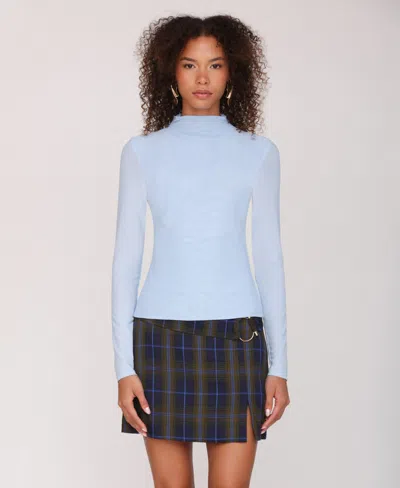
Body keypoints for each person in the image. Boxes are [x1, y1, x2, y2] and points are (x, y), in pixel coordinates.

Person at [111, 14, 290, 488]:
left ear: (233, 72)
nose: (203, 78)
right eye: (190, 65)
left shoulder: (259, 152)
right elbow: (126, 262)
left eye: (216, 65)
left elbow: (269, 259)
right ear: (171, 71)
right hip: (160, 337)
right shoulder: (141, 151)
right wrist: (124, 368)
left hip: (238, 338)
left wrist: (280, 366)